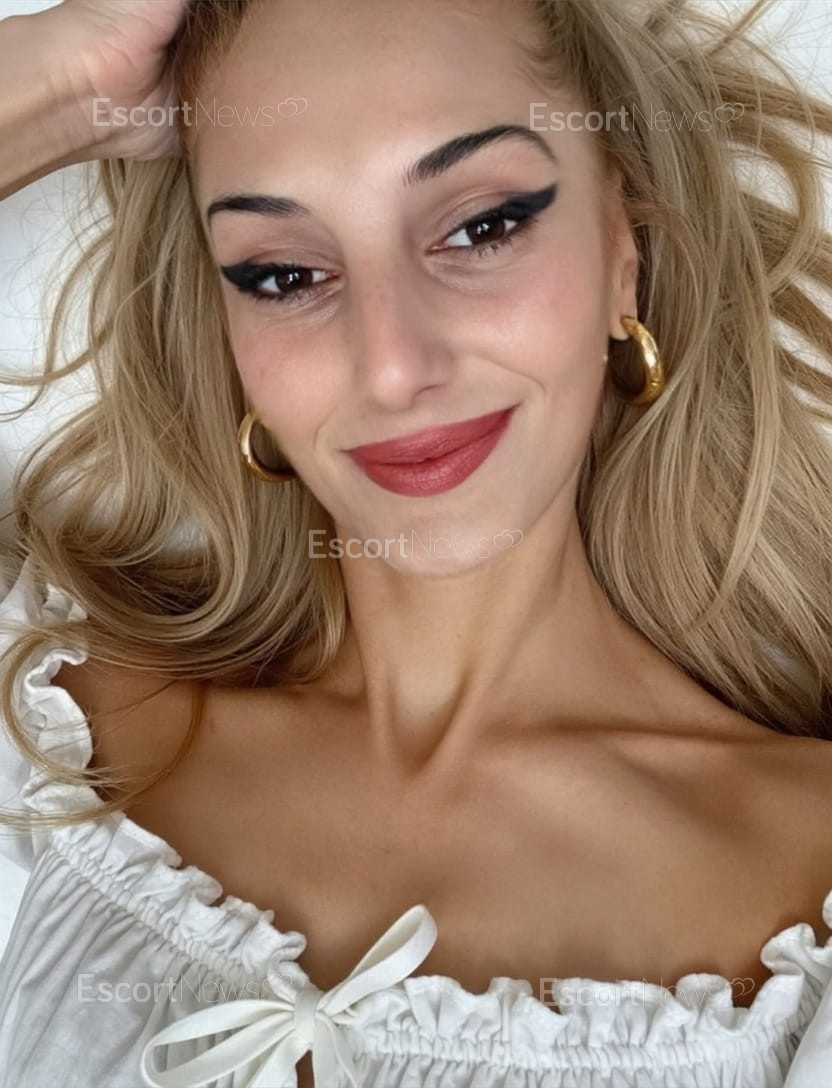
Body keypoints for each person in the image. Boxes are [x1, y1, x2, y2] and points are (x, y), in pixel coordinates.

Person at [1, 0, 831, 1085]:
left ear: (621, 256)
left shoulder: (807, 894)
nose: (392, 366)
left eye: (481, 226)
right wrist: (61, 88)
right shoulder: (54, 729)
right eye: (284, 274)